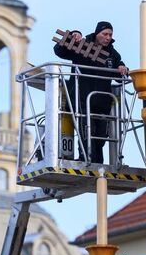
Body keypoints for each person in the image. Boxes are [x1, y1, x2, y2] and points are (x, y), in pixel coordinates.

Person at [53, 21, 128, 164]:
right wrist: (72, 35)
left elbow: (119, 76)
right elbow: (59, 51)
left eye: (110, 35)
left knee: (100, 136)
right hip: (81, 98)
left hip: (102, 102)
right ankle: (85, 158)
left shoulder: (112, 54)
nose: (107, 37)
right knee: (85, 131)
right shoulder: (82, 45)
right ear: (97, 33)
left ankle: (98, 162)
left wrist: (122, 68)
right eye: (105, 34)